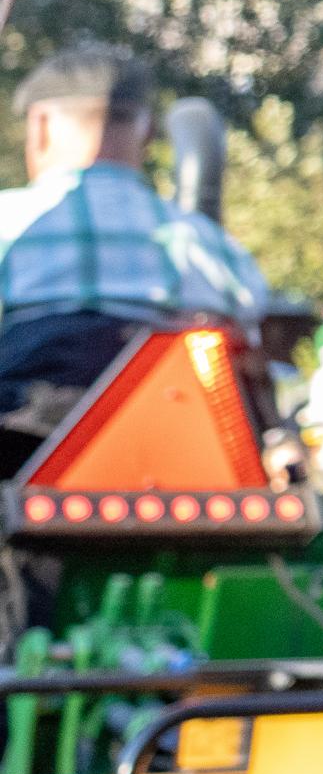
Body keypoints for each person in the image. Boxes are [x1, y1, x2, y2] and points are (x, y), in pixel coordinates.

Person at [0, 44, 273, 464]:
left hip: (24, 448)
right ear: (145, 134)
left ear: (40, 126)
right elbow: (252, 335)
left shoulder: (10, 221)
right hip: (184, 455)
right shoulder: (210, 244)